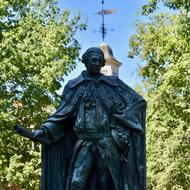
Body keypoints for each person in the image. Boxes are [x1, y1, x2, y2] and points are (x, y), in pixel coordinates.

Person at [32, 47, 146, 190]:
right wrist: (46, 130)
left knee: (106, 184)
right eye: (93, 60)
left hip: (106, 142)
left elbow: (139, 102)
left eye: (100, 61)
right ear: (85, 62)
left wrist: (122, 118)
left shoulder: (113, 84)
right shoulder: (74, 86)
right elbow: (61, 116)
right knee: (76, 182)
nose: (97, 63)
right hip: (84, 142)